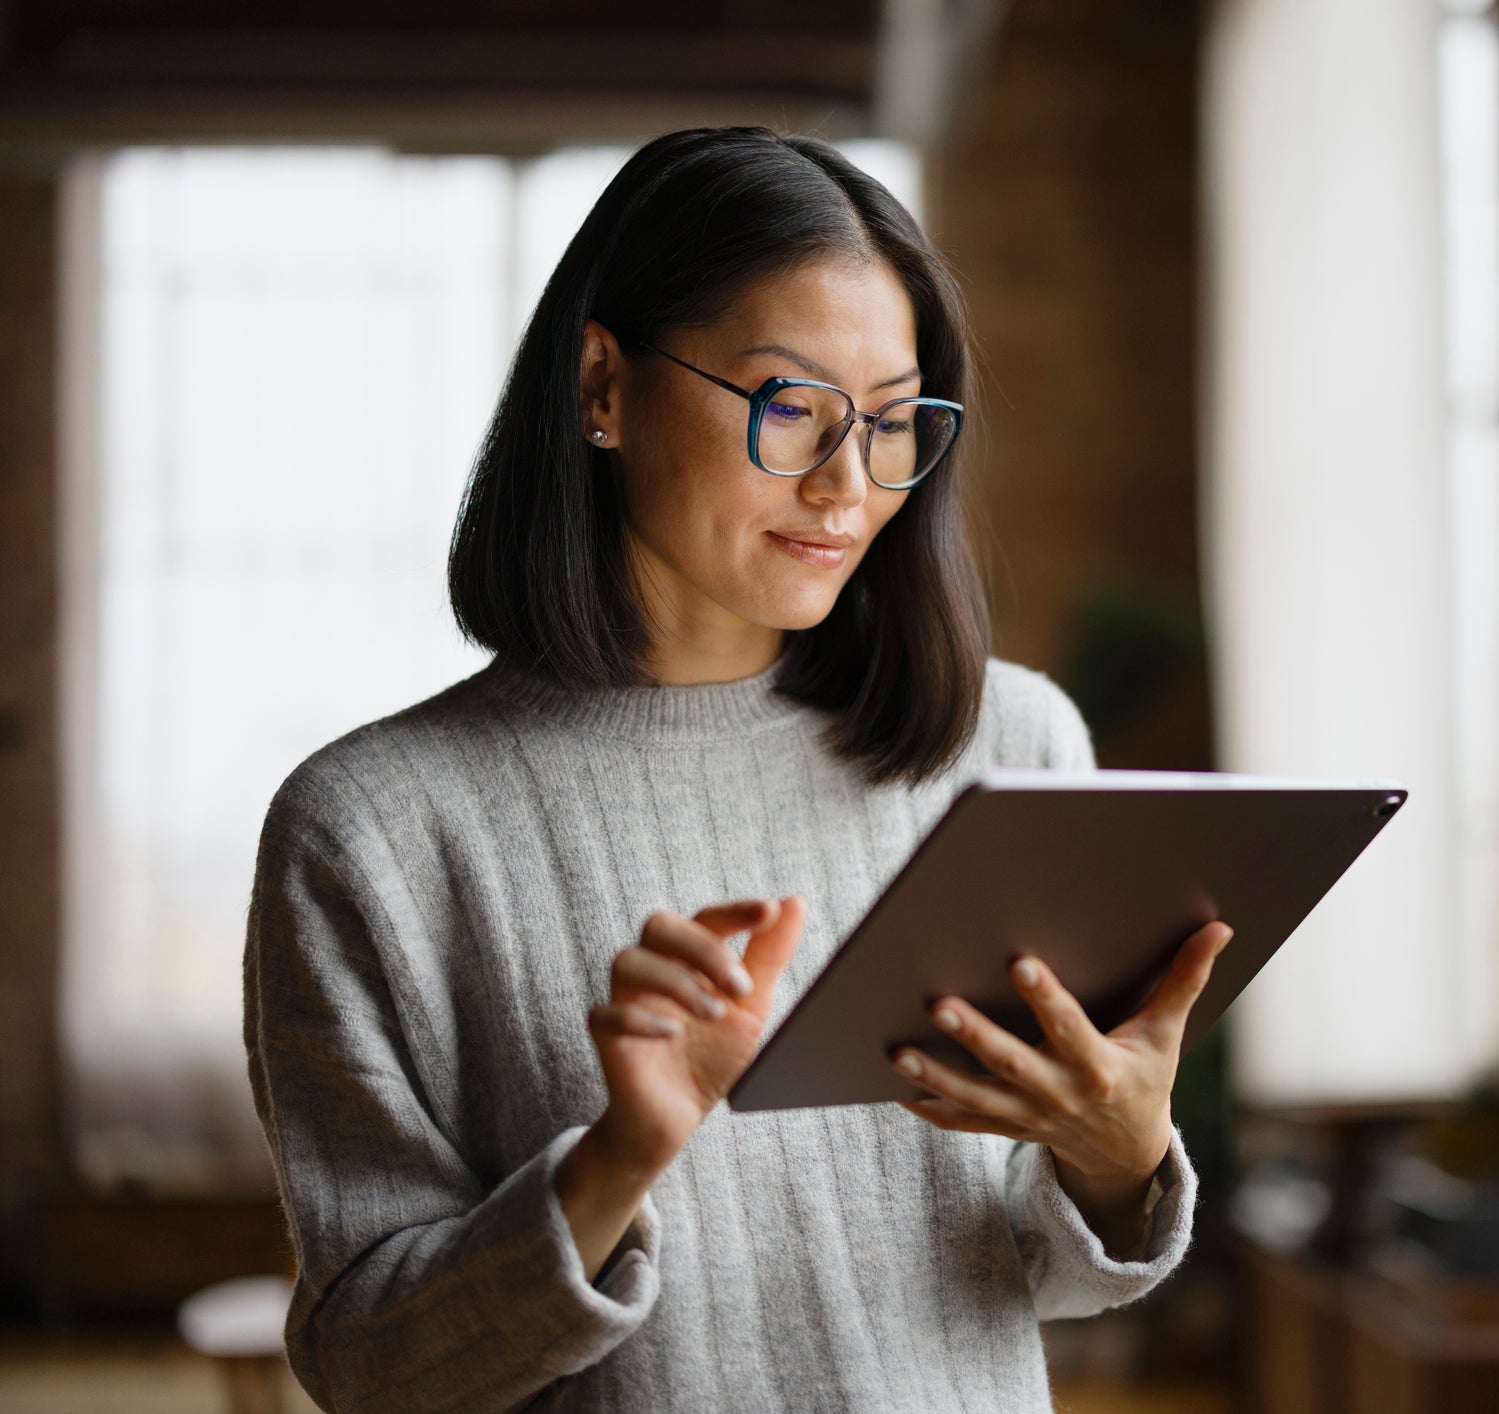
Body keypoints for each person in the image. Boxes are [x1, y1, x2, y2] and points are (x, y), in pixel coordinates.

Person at [240, 125, 1230, 1413]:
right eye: (790, 406)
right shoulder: (373, 831)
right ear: (602, 386)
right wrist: (619, 1157)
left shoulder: (1014, 749)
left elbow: (1028, 1275)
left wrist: (1118, 1154)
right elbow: (368, 1364)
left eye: (890, 424)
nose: (846, 484)